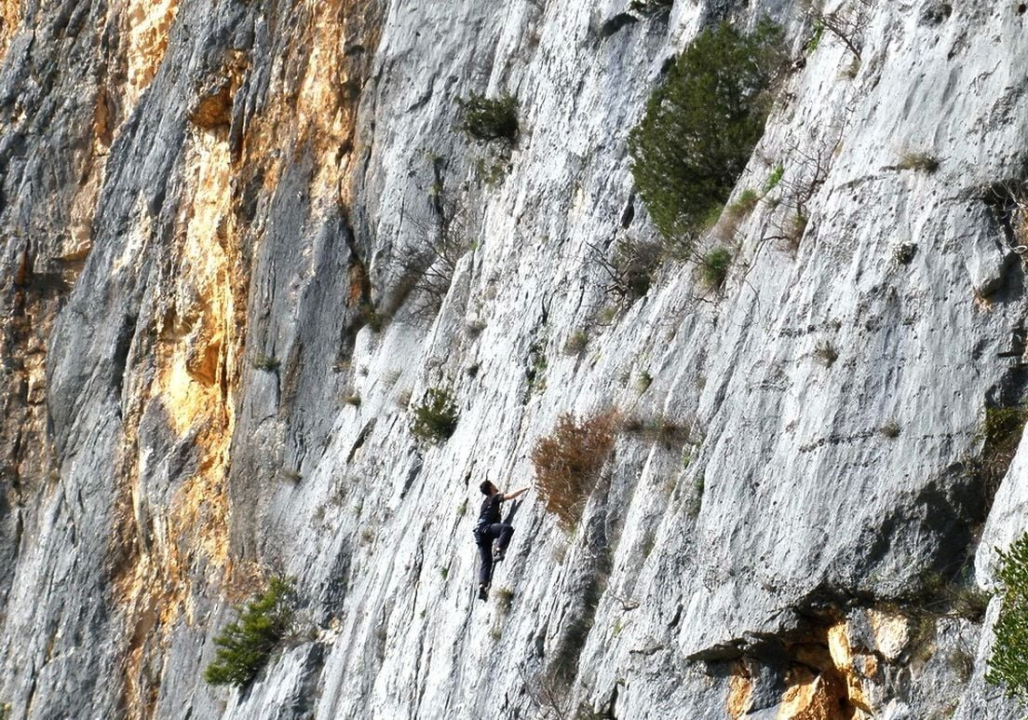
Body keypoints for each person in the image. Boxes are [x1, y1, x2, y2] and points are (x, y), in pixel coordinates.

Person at [474, 480, 529, 599]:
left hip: (478, 533)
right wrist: (524, 488)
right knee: (506, 529)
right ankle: (499, 550)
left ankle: (482, 587)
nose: (495, 485)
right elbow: (509, 496)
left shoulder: (485, 503)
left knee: (486, 561)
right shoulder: (493, 497)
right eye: (493, 485)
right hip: (486, 528)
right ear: (491, 488)